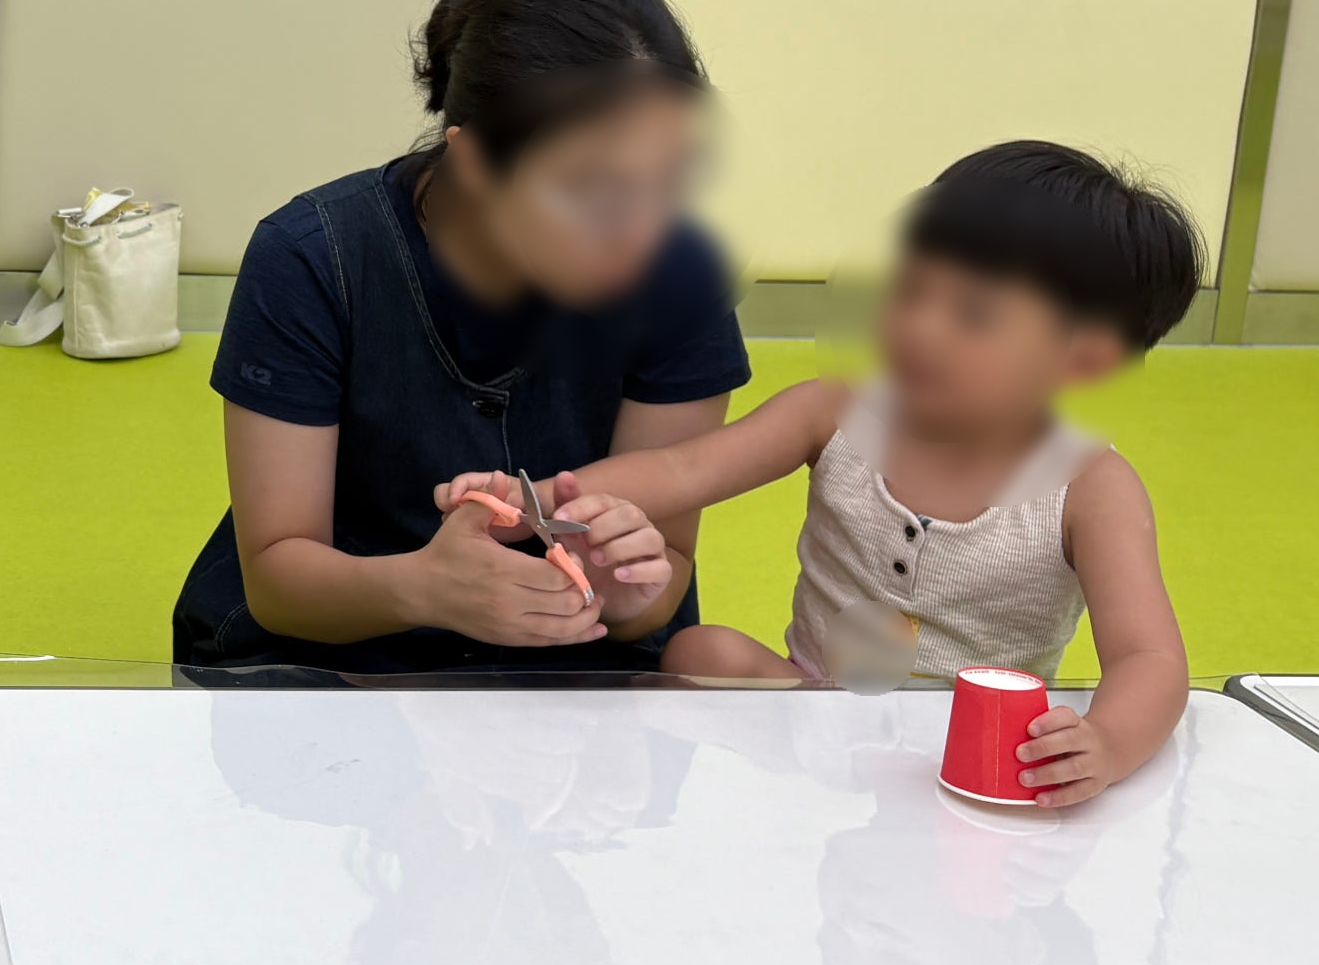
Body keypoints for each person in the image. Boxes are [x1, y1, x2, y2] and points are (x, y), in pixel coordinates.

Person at [169, 0, 754, 965]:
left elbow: (652, 582)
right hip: (325, 660)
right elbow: (281, 572)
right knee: (432, 843)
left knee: (581, 841)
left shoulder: (672, 274)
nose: (638, 227)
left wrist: (630, 580)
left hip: (570, 682)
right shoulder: (319, 254)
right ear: (474, 159)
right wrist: (426, 585)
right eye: (592, 191)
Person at [442, 140, 1198, 806]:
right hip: (809, 704)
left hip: (966, 747)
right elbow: (680, 469)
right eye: (911, 290)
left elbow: (1149, 657)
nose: (919, 327)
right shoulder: (835, 412)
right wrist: (535, 499)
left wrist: (1107, 743)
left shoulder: (1089, 488)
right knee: (700, 651)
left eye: (972, 315)